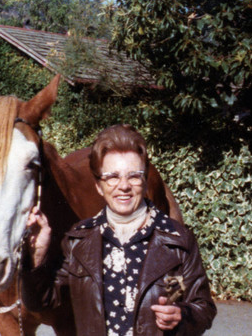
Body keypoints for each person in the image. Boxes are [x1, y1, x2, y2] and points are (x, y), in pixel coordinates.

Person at [22, 124, 216, 335]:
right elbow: (41, 302)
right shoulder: (78, 240)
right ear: (99, 185)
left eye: (133, 175)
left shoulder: (178, 240)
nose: (123, 186)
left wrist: (182, 315)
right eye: (112, 177)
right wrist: (37, 256)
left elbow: (203, 308)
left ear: (144, 178)